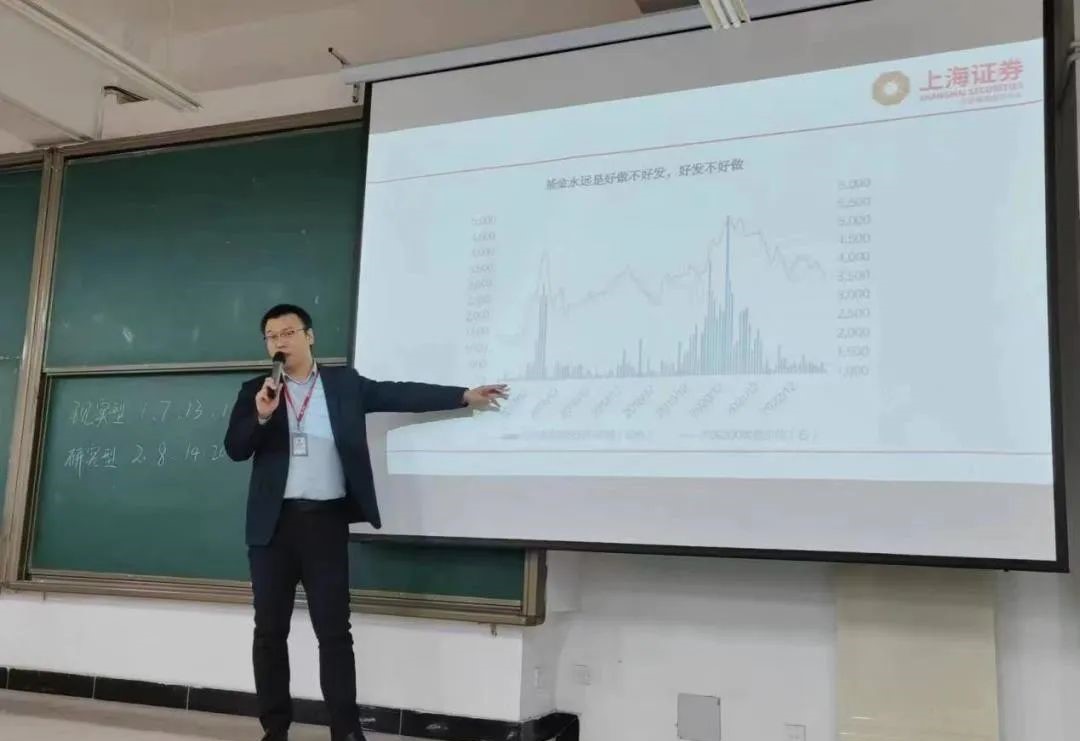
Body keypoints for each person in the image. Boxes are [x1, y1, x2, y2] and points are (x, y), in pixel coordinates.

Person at [224, 303, 508, 741]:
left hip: (325, 524)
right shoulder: (256, 391)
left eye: (288, 332)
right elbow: (236, 448)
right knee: (270, 633)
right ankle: (275, 729)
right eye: (271, 336)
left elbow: (399, 395)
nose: (280, 342)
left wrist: (462, 395)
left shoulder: (343, 385)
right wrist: (262, 414)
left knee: (335, 633)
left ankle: (346, 730)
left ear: (309, 336)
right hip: (272, 529)